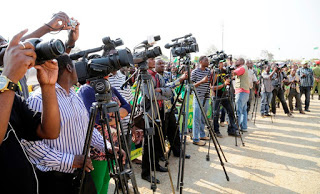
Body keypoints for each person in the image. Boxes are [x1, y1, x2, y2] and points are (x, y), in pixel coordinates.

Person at [22, 54, 126, 194]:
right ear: (69, 67)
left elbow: (87, 129)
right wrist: (70, 160)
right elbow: (31, 146)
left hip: (82, 173)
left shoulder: (74, 95)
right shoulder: (38, 99)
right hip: (56, 180)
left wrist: (107, 147)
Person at [0, 30, 60, 194]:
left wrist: (48, 86)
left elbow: (49, 131)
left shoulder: (8, 95)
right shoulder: (6, 88)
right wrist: (9, 77)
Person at [137, 57, 172, 184]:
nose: (153, 61)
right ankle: (145, 173)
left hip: (160, 112)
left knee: (158, 140)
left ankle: (155, 164)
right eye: (151, 59)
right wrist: (161, 92)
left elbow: (169, 92)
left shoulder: (158, 76)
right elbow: (150, 95)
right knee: (147, 144)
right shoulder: (144, 76)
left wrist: (160, 90)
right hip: (149, 114)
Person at [155, 59, 188, 156]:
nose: (162, 65)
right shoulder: (154, 76)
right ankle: (160, 154)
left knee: (174, 130)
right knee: (162, 132)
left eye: (162, 63)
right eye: (159, 63)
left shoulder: (168, 74)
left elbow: (170, 88)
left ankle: (177, 151)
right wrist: (179, 80)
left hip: (170, 106)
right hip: (159, 108)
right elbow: (167, 87)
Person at [211, 60, 238, 137]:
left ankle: (232, 130)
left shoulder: (224, 71)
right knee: (216, 114)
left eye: (222, 62)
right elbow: (212, 87)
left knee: (231, 111)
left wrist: (231, 75)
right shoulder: (213, 72)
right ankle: (216, 131)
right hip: (217, 95)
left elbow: (232, 77)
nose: (221, 64)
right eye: (219, 62)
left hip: (225, 95)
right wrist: (224, 84)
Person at [191, 56, 211, 146]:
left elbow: (211, 82)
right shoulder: (195, 72)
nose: (208, 61)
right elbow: (191, 86)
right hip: (198, 97)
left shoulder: (209, 71)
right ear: (200, 61)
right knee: (197, 118)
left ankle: (202, 135)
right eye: (206, 60)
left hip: (206, 96)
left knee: (203, 117)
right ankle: (195, 138)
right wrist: (201, 81)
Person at [232, 58, 250, 132]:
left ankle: (236, 128)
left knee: (238, 111)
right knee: (243, 111)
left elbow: (234, 73)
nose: (236, 62)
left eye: (237, 60)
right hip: (245, 92)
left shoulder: (242, 68)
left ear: (242, 62)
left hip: (241, 92)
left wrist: (231, 68)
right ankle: (244, 127)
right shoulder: (244, 68)